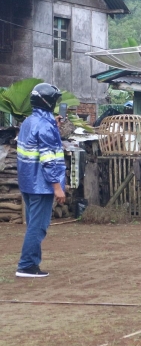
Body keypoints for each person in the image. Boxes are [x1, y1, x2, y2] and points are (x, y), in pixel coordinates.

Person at [16, 83, 66, 278]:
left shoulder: (29, 121)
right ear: (50, 102)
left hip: (27, 182)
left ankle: (30, 263)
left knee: (33, 224)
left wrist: (54, 124)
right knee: (38, 227)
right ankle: (27, 265)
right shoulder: (45, 126)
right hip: (42, 185)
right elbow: (47, 158)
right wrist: (57, 186)